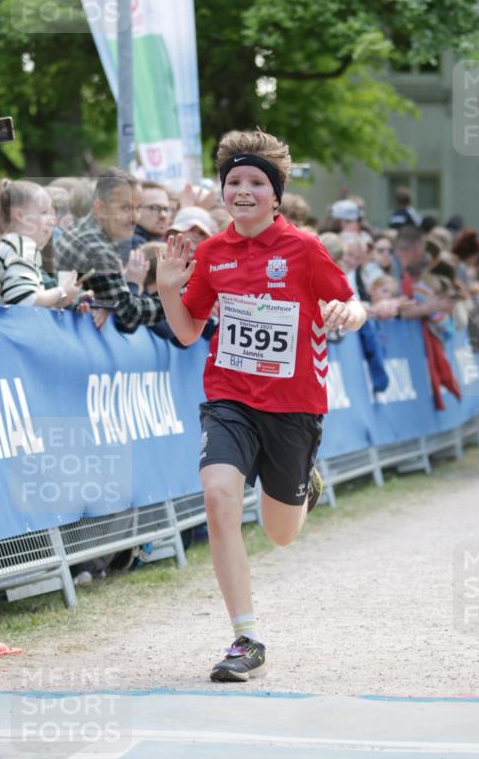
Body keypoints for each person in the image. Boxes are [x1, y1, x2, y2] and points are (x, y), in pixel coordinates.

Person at [156, 129, 366, 682]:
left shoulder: (303, 249)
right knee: (218, 496)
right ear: (222, 191)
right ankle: (245, 638)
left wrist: (349, 313)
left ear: (275, 194)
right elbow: (186, 333)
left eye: (255, 182)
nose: (242, 191)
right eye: (233, 182)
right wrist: (167, 288)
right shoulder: (211, 253)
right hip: (229, 398)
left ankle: (304, 483)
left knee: (281, 533)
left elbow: (349, 299)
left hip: (293, 406)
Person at [56, 168, 166, 333]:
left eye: (138, 208)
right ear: (100, 208)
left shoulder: (88, 232)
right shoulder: (97, 249)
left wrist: (103, 304)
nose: (135, 217)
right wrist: (177, 300)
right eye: (125, 208)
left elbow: (114, 304)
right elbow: (129, 316)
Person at [0, 179, 81, 308]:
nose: (53, 221)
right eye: (44, 212)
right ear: (19, 215)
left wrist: (60, 302)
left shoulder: (7, 243)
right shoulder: (21, 244)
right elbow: (25, 300)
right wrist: (62, 292)